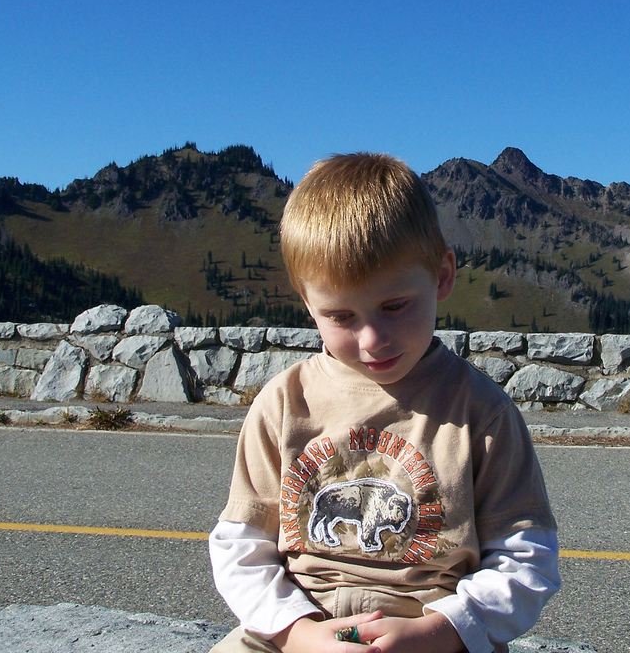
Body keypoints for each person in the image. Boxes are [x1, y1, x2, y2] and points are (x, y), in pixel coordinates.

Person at [209, 152, 559, 653]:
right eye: (341, 315)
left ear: (441, 276)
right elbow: (241, 544)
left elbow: (527, 559)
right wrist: (296, 631)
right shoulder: (283, 405)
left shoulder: (481, 414)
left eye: (395, 306)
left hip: (431, 631)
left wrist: (444, 629)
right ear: (307, 303)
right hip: (300, 627)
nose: (372, 339)